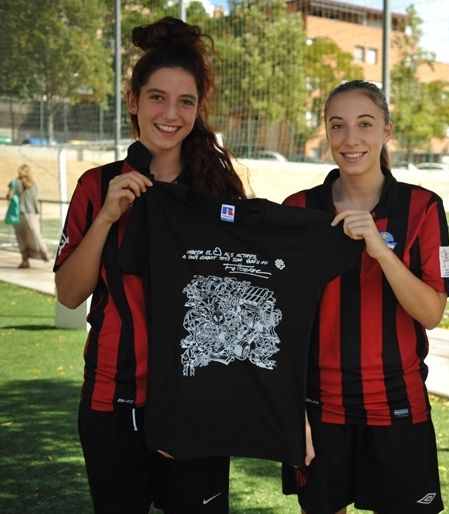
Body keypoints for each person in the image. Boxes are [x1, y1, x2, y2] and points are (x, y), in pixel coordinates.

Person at [54, 16, 244, 513]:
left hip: (195, 403)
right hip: (111, 402)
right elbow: (70, 294)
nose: (171, 113)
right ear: (134, 101)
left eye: (186, 101)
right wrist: (105, 221)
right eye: (157, 97)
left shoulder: (217, 195)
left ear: (198, 110)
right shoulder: (97, 187)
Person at [281, 80, 449, 514]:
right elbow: (283, 322)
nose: (350, 139)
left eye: (364, 124)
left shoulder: (423, 207)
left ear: (387, 131)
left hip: (397, 405)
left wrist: (381, 251)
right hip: (320, 408)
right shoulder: (298, 209)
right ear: (326, 132)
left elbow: (431, 313)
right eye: (337, 126)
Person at [6, 164, 49, 268]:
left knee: (20, 236)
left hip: (19, 213)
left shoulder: (14, 182)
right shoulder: (34, 184)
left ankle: (25, 260)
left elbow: (9, 196)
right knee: (36, 234)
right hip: (32, 213)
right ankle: (45, 255)